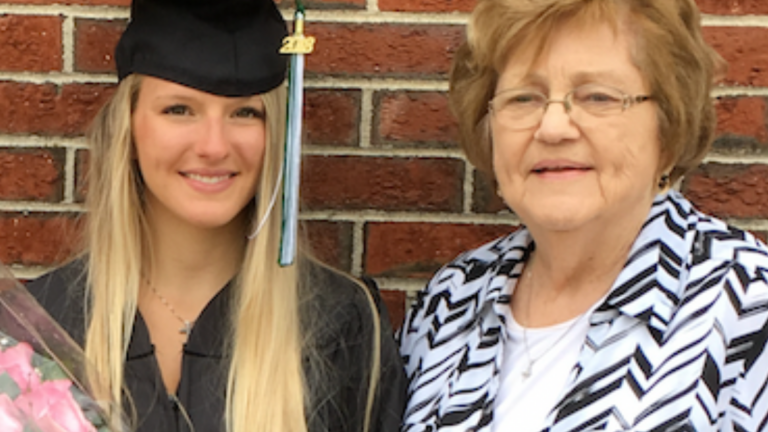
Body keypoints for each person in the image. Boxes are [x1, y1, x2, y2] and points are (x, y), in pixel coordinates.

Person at [25, 0, 405, 431]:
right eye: (179, 110)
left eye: (245, 113)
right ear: (128, 127)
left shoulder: (342, 327)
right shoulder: (40, 327)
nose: (214, 146)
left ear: (277, 134)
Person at [398, 0, 768, 431]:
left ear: (668, 128)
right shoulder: (452, 299)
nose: (553, 128)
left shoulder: (747, 306)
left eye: (598, 97)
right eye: (524, 98)